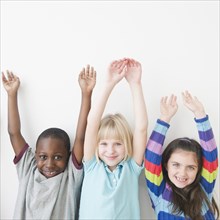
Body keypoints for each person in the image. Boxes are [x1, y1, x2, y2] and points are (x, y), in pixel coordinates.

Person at [2, 65, 96, 219]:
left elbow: (81, 137)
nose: (49, 164)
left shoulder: (70, 176)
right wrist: (12, 94)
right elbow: (14, 133)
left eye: (58, 157)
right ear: (36, 155)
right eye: (43, 157)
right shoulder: (28, 169)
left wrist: (86, 94)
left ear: (69, 156)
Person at [79, 58, 148, 219]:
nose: (110, 150)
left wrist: (135, 84)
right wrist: (109, 84)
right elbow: (92, 123)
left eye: (118, 144)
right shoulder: (92, 165)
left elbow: (141, 128)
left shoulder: (131, 168)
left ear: (127, 145)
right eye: (104, 143)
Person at [144, 91, 219, 220]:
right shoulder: (159, 192)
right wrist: (164, 118)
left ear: (198, 169)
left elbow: (211, 156)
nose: (182, 173)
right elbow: (151, 156)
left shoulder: (204, 188)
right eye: (176, 165)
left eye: (190, 167)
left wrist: (200, 114)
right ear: (166, 165)